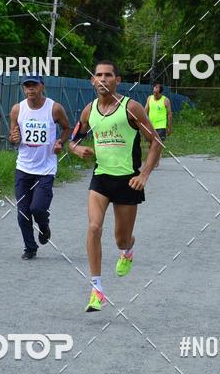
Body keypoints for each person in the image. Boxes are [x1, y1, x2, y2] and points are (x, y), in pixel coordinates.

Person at [68, 60, 162, 312]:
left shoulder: (131, 108)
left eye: (108, 75)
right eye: (98, 75)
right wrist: (76, 149)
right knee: (93, 227)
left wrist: (144, 175)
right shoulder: (88, 111)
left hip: (128, 181)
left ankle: (128, 250)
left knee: (121, 239)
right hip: (100, 178)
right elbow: (73, 139)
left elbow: (156, 142)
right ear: (92, 81)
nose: (103, 79)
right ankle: (97, 290)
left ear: (117, 80)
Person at [9, 75, 70, 258]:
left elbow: (67, 128)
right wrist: (13, 139)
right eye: (27, 85)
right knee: (23, 212)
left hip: (45, 169)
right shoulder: (17, 109)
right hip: (23, 168)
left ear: (42, 87)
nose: (30, 89)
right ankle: (30, 248)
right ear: (23, 89)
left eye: (34, 85)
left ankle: (44, 226)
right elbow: (13, 137)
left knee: (37, 208)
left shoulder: (54, 108)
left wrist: (60, 142)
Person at [145, 83, 173, 167]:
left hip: (161, 126)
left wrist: (169, 127)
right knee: (150, 144)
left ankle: (156, 160)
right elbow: (145, 110)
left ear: (161, 93)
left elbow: (169, 114)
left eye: (156, 93)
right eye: (154, 92)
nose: (155, 94)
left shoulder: (165, 100)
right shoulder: (150, 98)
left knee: (158, 144)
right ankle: (152, 159)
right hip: (151, 125)